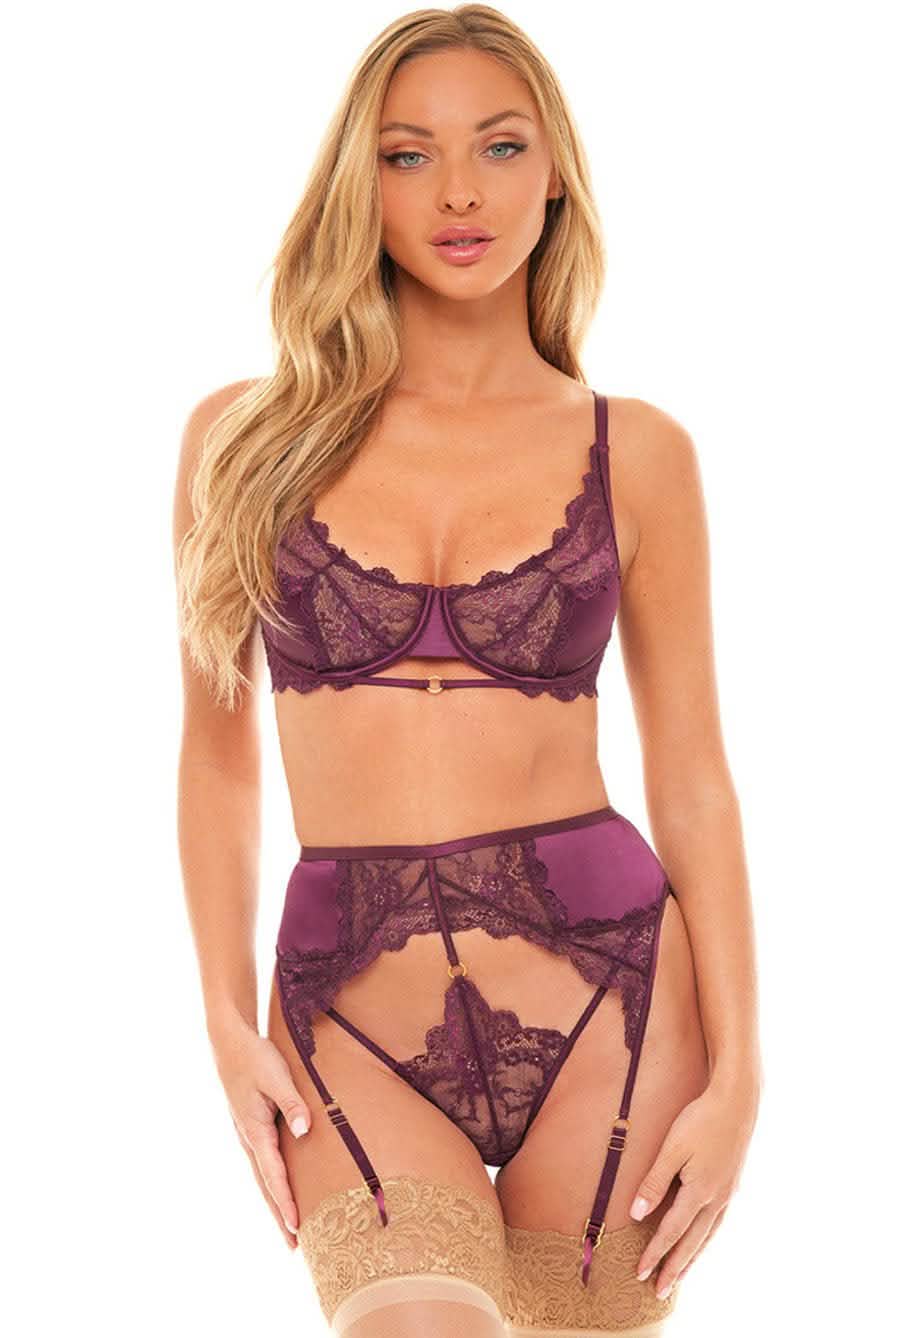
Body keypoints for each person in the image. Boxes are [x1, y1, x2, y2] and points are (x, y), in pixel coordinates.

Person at [173, 7, 762, 1335]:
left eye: (499, 147)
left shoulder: (635, 451)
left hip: (615, 994)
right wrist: (220, 1017)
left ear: (555, 174)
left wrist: (741, 1075)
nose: (458, 194)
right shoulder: (241, 441)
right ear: (358, 182)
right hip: (348, 1013)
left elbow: (693, 772)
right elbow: (217, 760)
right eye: (408, 154)